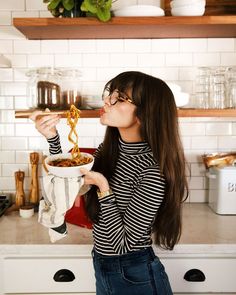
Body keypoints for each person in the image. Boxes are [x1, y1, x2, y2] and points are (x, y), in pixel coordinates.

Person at [32, 71, 188, 295]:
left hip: (136, 274)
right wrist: (52, 138)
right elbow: (73, 178)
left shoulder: (152, 171)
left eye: (120, 98)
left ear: (145, 113)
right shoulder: (112, 149)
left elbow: (122, 245)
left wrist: (103, 187)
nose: (107, 100)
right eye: (110, 94)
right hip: (103, 264)